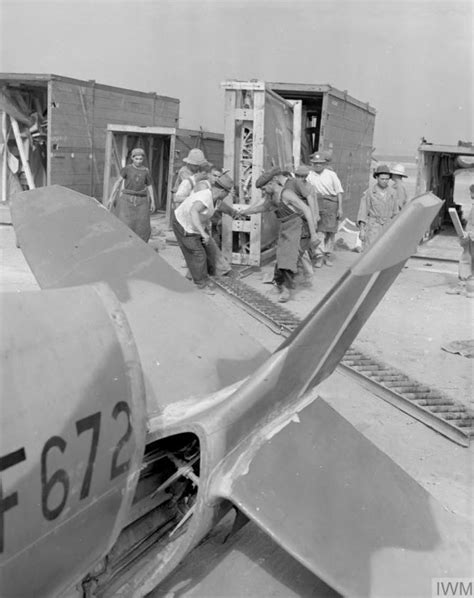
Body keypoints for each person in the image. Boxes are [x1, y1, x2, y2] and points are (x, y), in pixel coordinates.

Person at [242, 167, 319, 302]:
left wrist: (314, 234)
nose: (264, 191)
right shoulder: (272, 196)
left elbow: (306, 209)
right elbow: (263, 207)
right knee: (281, 257)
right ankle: (279, 285)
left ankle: (286, 289)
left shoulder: (287, 194)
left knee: (289, 259)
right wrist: (245, 212)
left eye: (264, 188)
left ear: (271, 183)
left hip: (299, 229)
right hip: (286, 229)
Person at [172, 173, 236, 293]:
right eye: (227, 192)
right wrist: (203, 233)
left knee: (209, 247)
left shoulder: (215, 198)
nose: (227, 195)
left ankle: (192, 277)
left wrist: (233, 212)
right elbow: (193, 212)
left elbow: (220, 206)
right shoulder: (205, 197)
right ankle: (200, 284)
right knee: (198, 254)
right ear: (222, 191)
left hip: (195, 225)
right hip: (184, 225)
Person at [107, 147, 155, 243]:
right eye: (136, 159)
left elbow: (149, 186)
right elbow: (118, 182)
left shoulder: (145, 171)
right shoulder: (127, 169)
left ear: (143, 159)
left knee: (142, 225)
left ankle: (139, 244)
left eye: (140, 159)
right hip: (126, 200)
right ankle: (122, 242)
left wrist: (153, 201)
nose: (138, 161)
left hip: (141, 201)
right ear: (132, 158)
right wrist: (111, 198)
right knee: (124, 222)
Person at [306, 152, 344, 267]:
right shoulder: (309, 175)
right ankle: (319, 256)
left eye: (320, 163)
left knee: (330, 232)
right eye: (315, 163)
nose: (318, 166)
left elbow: (339, 192)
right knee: (319, 231)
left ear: (324, 164)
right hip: (317, 203)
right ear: (312, 164)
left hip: (332, 204)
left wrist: (340, 208)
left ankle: (327, 256)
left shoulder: (331, 174)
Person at [357, 164, 399, 252]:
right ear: (376, 178)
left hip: (388, 227)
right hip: (373, 227)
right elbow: (363, 212)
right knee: (370, 252)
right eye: (382, 179)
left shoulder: (393, 193)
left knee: (385, 252)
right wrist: (362, 230)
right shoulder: (370, 193)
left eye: (387, 179)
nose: (385, 181)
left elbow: (396, 213)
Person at [447, 183, 474, 296]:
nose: (470, 194)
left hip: (472, 237)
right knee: (465, 259)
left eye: (471, 192)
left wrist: (470, 234)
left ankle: (471, 289)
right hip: (469, 239)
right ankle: (462, 285)